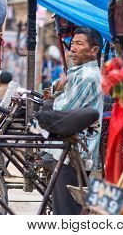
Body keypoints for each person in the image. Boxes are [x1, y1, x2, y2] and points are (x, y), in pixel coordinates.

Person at [42, 27, 103, 215]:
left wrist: (51, 100)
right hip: (66, 151)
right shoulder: (77, 73)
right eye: (72, 44)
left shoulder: (87, 77)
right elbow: (55, 90)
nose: (73, 48)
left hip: (74, 155)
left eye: (79, 44)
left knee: (66, 212)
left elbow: (62, 111)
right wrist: (55, 93)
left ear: (94, 51)